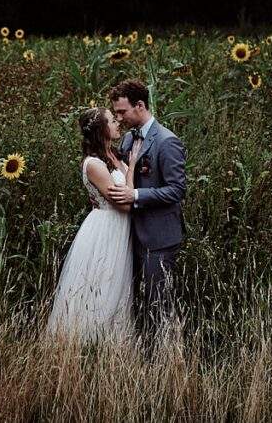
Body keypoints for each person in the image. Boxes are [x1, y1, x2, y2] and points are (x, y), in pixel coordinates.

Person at [46, 106, 141, 340]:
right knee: (103, 286)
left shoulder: (115, 154)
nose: (118, 123)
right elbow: (124, 204)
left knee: (119, 290)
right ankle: (91, 344)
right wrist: (133, 168)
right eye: (112, 121)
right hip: (106, 230)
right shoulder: (94, 164)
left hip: (121, 229)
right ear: (101, 130)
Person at [105, 79, 187, 334]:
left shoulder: (166, 141)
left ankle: (169, 363)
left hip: (159, 238)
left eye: (122, 112)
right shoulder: (128, 140)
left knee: (160, 305)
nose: (118, 119)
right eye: (115, 114)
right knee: (139, 305)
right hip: (132, 237)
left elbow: (177, 190)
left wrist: (136, 195)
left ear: (139, 105)